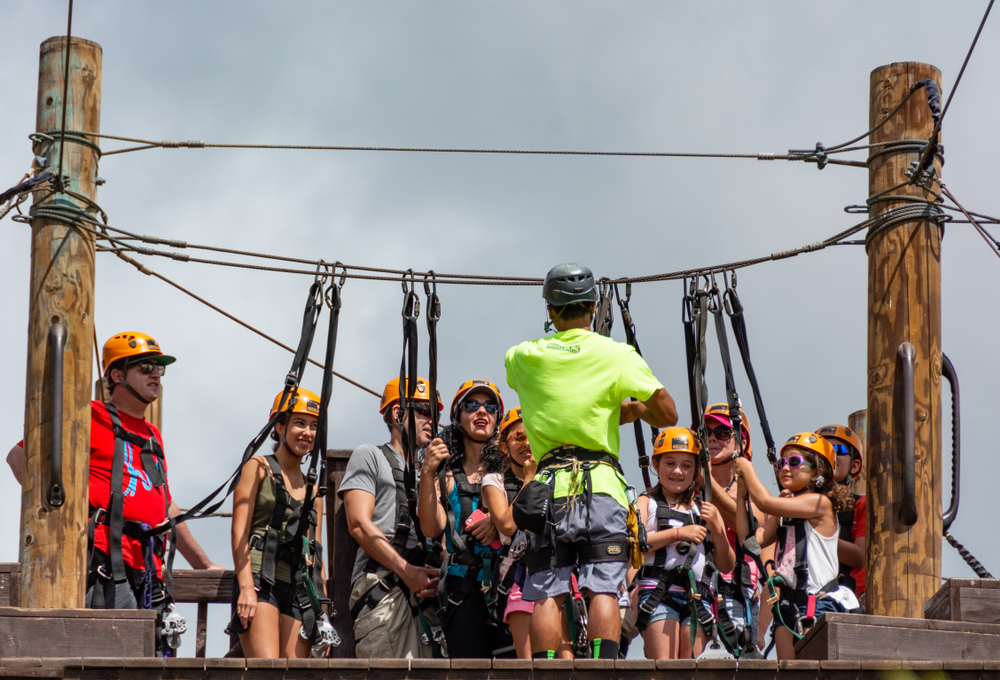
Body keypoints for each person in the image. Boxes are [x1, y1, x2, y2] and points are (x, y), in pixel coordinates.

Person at [6, 332, 223, 655]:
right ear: (117, 375)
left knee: (146, 662)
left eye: (160, 369)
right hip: (104, 564)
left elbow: (166, 506)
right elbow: (20, 457)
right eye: (146, 366)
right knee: (112, 658)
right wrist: (62, 518)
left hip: (146, 569)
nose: (156, 375)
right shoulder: (89, 416)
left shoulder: (152, 435)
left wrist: (203, 564)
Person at [505, 263, 678, 660]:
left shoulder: (522, 357)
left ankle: (548, 672)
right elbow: (667, 413)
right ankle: (603, 668)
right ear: (595, 305)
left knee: (548, 585)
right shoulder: (617, 354)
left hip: (549, 487)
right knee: (603, 585)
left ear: (550, 309)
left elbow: (564, 402)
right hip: (602, 485)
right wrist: (630, 409)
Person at [340, 377, 444, 659]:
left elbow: (435, 529)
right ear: (398, 413)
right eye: (424, 411)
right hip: (384, 590)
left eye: (435, 414)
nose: (431, 420)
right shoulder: (369, 456)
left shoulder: (429, 473)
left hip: (426, 597)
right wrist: (406, 570)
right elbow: (359, 525)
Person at [734, 432, 859, 660]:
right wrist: (742, 497)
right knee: (789, 673)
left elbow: (765, 502)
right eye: (782, 463)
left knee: (813, 672)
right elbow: (750, 542)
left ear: (816, 473)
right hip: (787, 604)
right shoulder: (786, 508)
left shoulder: (820, 503)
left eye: (794, 462)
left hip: (817, 601)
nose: (784, 468)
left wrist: (747, 469)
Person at [230, 388, 328, 658]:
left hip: (299, 588)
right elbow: (239, 531)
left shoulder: (314, 491)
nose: (307, 433)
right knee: (268, 671)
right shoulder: (257, 467)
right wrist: (247, 588)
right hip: (261, 581)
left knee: (297, 675)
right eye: (299, 423)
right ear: (280, 426)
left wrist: (324, 615)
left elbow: (316, 555)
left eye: (314, 426)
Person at [418, 379, 511, 658]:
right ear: (458, 416)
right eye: (472, 405)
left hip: (508, 581)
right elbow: (431, 526)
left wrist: (498, 522)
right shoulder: (445, 474)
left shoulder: (510, 470)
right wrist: (427, 472)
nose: (482, 412)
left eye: (490, 407)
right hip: (464, 586)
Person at [634, 427, 734, 659]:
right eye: (670, 463)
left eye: (687, 466)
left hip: (698, 596)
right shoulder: (646, 502)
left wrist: (718, 529)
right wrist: (679, 534)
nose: (678, 471)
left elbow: (726, 565)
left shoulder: (703, 508)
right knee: (665, 667)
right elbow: (635, 545)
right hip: (658, 592)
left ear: (696, 470)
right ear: (656, 464)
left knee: (692, 670)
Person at [481, 407, 571, 659]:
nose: (527, 442)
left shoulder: (557, 478)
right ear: (504, 447)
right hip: (519, 577)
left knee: (566, 656)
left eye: (533, 434)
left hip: (557, 569)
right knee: (530, 660)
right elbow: (507, 525)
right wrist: (530, 479)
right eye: (518, 437)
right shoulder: (494, 481)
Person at [701, 403, 771, 656]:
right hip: (693, 591)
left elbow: (750, 530)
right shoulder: (680, 486)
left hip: (738, 597)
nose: (711, 438)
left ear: (741, 441)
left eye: (722, 432)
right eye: (704, 433)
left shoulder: (754, 493)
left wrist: (761, 630)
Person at [816, 425, 865, 605]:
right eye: (823, 449)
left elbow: (860, 557)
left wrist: (813, 532)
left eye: (838, 449)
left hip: (852, 602)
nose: (830, 454)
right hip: (811, 601)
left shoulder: (861, 505)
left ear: (854, 466)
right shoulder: (796, 507)